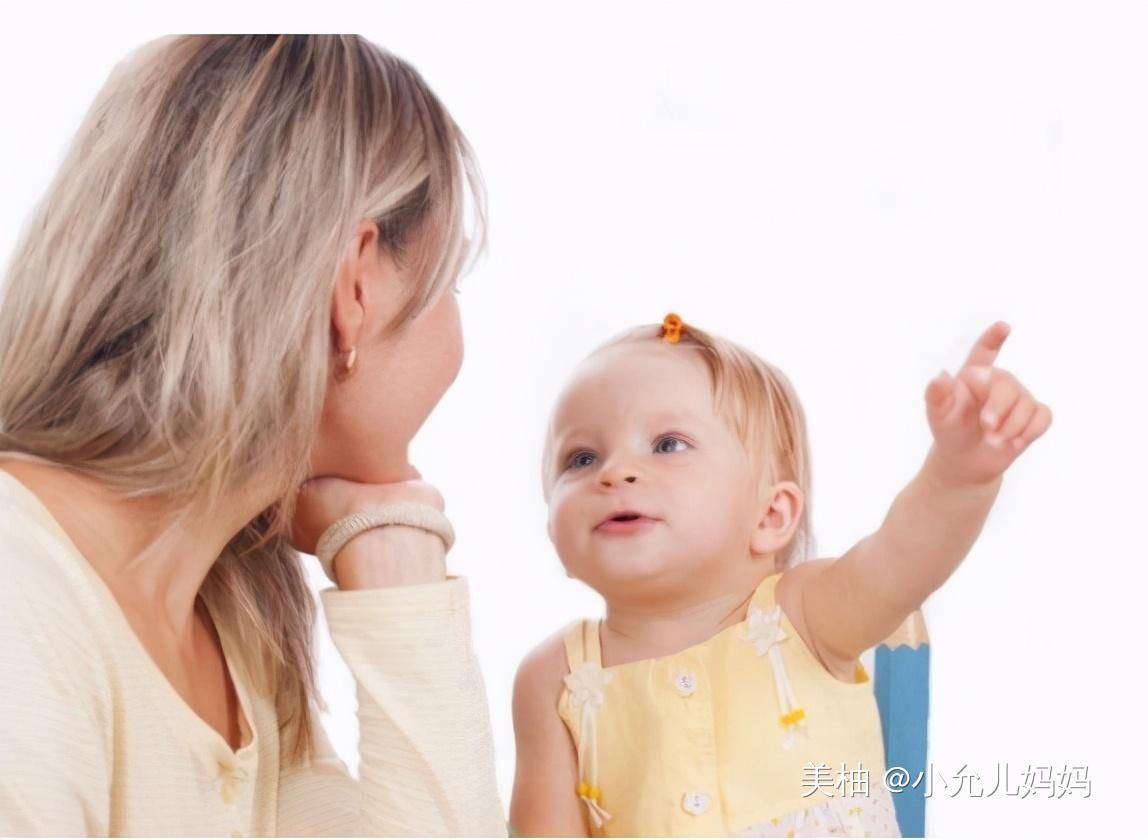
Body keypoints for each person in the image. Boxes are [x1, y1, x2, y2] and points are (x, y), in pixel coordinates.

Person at [0, 35, 505, 836]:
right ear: (357, 283)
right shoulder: (19, 593)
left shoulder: (235, 622)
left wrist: (398, 564)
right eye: (448, 278)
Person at [510, 313, 1051, 837]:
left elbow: (904, 559)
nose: (615, 472)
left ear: (770, 516)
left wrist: (958, 476)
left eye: (668, 445)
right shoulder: (552, 678)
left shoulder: (805, 614)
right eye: (581, 458)